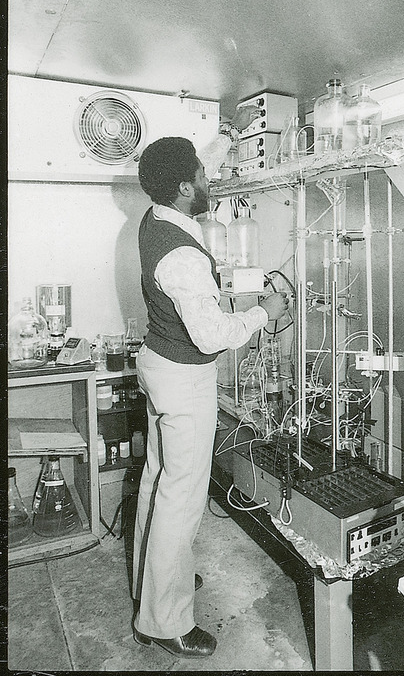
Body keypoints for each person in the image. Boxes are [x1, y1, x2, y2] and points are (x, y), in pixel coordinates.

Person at [131, 136, 288, 658]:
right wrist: (264, 312)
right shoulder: (181, 256)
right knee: (182, 499)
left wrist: (227, 142)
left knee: (158, 483)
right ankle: (164, 621)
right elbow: (212, 335)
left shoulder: (158, 218)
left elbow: (193, 178)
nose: (208, 179)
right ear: (182, 186)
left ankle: (151, 585)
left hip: (158, 364)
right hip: (184, 377)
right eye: (201, 174)